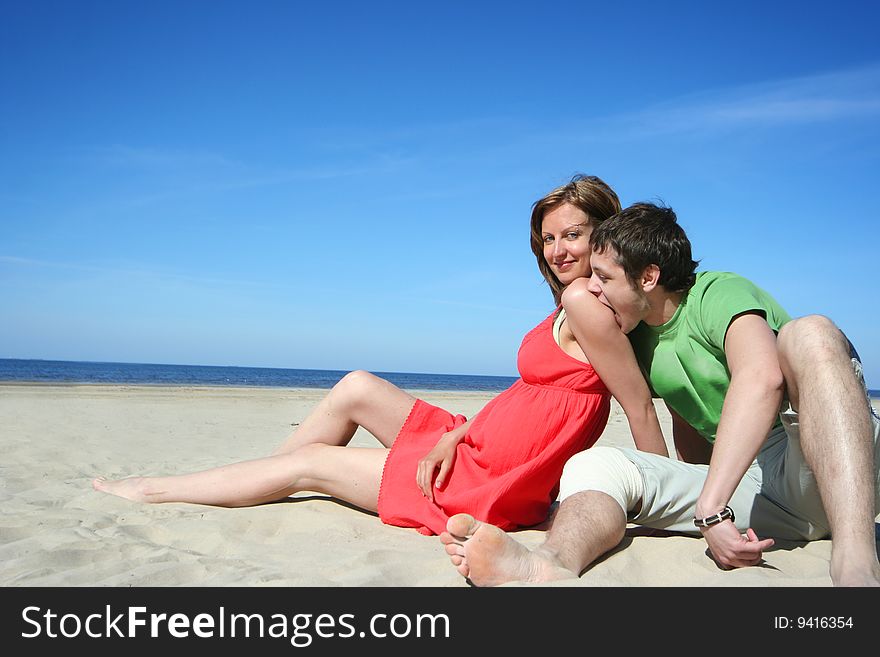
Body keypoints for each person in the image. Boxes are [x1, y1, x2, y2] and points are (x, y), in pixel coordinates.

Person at [92, 176, 668, 536]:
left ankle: (160, 489)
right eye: (548, 238)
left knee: (310, 462)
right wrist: (457, 434)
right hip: (474, 449)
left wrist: (670, 497)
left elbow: (639, 407)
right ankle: (256, 478)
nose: (559, 249)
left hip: (483, 483)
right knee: (356, 385)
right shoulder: (574, 305)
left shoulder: (585, 303)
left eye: (574, 233)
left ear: (604, 233)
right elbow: (535, 399)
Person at [440, 202, 880, 586]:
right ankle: (549, 563)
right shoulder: (640, 340)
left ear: (648, 276)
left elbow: (762, 376)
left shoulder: (716, 293)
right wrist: (686, 492)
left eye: (603, 277)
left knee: (812, 333)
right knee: (596, 464)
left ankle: (856, 558)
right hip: (764, 493)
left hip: (831, 459)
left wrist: (709, 505)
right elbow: (685, 418)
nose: (591, 288)